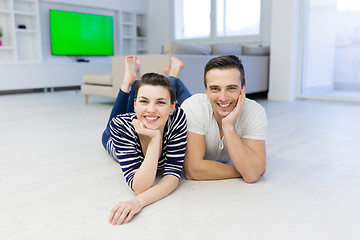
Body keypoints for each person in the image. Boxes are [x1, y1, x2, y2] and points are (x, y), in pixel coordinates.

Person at [103, 55, 188, 225]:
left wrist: (155, 137)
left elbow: (172, 176)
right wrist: (156, 138)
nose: (151, 109)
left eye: (161, 103)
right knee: (114, 122)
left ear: (173, 107)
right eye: (143, 101)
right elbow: (141, 187)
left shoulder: (177, 117)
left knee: (151, 110)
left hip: (147, 118)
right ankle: (128, 81)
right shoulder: (120, 126)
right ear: (134, 104)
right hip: (111, 138)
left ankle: (134, 81)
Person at [181, 55, 267, 183]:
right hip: (183, 109)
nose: (223, 97)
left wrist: (228, 126)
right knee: (170, 87)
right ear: (206, 90)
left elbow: (252, 174)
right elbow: (193, 170)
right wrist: (244, 170)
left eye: (231, 88)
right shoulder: (193, 106)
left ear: (243, 89)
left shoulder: (255, 111)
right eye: (215, 89)